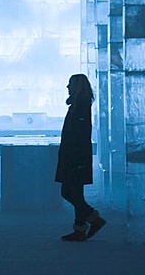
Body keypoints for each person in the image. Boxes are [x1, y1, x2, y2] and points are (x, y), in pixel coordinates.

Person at [55, 74, 106, 241]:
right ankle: (84, 225)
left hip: (75, 158)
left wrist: (78, 161)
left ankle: (90, 222)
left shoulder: (81, 106)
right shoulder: (79, 105)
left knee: (71, 192)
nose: (67, 87)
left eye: (70, 84)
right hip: (73, 156)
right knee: (74, 192)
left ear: (77, 87)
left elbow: (80, 135)